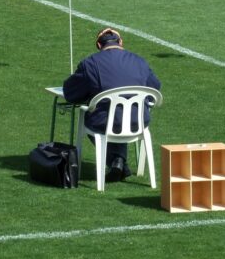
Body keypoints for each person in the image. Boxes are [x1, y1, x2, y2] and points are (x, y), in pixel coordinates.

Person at [62, 27, 161, 183]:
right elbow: (155, 87)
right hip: (139, 121)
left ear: (99, 46)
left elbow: (70, 93)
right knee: (115, 114)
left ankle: (117, 161)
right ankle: (118, 162)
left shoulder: (90, 64)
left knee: (92, 115)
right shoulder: (140, 61)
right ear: (121, 42)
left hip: (106, 122)